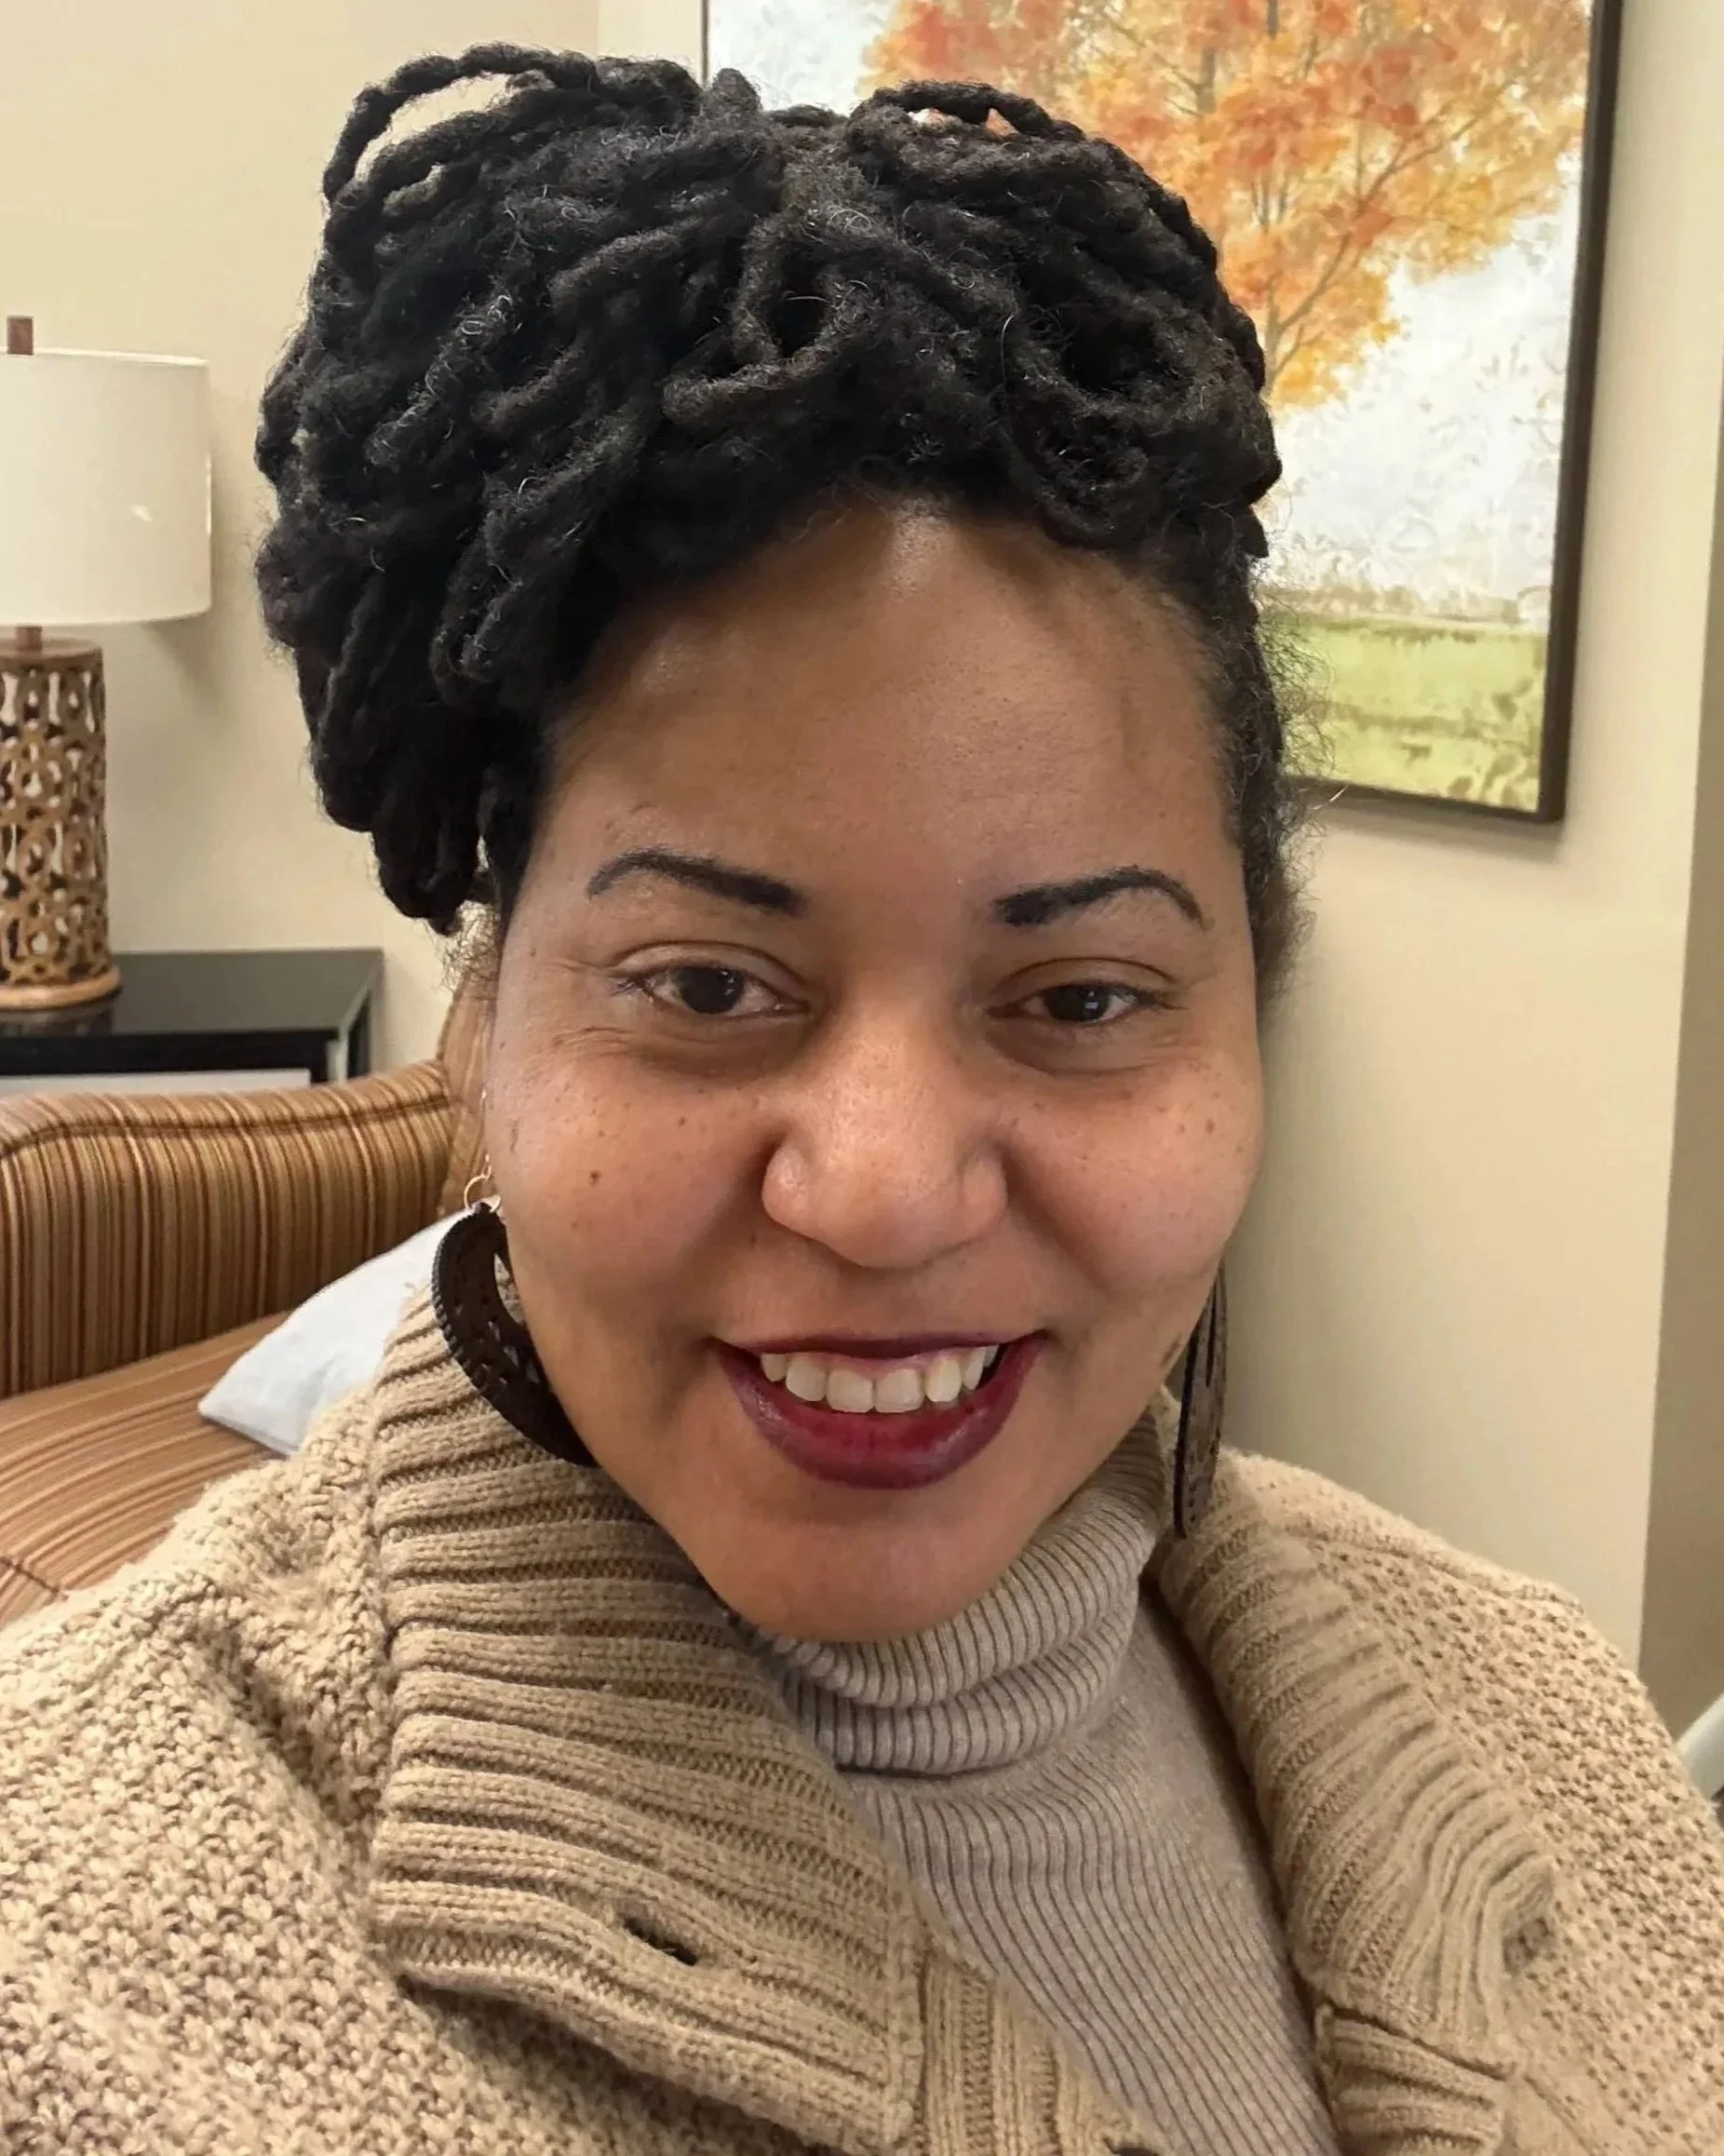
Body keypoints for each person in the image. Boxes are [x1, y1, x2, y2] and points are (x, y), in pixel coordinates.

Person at [1, 44, 1719, 2156]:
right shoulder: (68, 1965)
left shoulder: (1542, 1714)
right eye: (709, 985)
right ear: (483, 1016)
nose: (887, 1193)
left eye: (1079, 994)